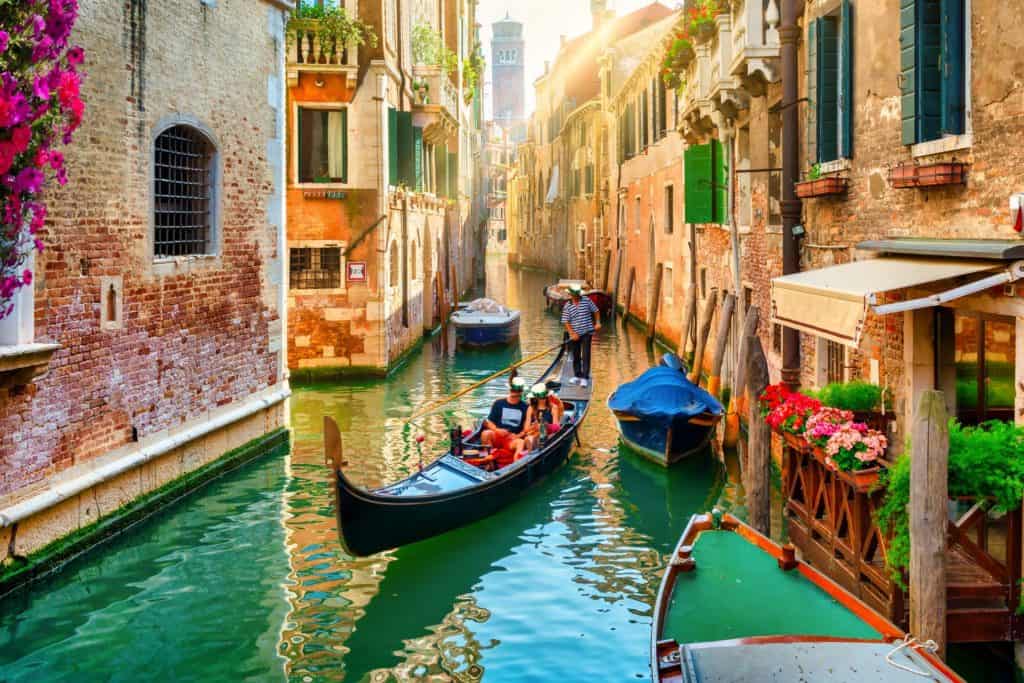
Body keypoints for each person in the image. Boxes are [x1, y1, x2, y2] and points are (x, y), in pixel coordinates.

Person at [561, 283, 600, 387]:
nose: (576, 297)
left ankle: (585, 377)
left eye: (577, 295)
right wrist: (572, 333)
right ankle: (577, 375)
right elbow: (566, 321)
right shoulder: (567, 305)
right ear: (571, 295)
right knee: (576, 354)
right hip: (575, 335)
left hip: (587, 332)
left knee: (586, 354)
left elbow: (596, 311)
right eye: (574, 295)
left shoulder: (586, 301)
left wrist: (598, 322)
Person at [481, 376, 529, 458]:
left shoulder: (526, 407)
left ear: (521, 392)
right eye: (513, 390)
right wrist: (497, 430)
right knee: (486, 434)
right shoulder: (498, 403)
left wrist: (517, 436)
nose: (514, 392)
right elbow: (490, 422)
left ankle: (516, 465)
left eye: (517, 391)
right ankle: (489, 460)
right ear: (509, 390)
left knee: (520, 443)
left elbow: (525, 429)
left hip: (512, 438)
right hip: (497, 435)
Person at [524, 383, 563, 452]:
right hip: (534, 434)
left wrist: (544, 426)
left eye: (544, 397)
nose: (543, 399)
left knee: (538, 440)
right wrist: (534, 427)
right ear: (535, 398)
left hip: (549, 435)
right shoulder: (531, 408)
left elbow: (556, 427)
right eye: (541, 397)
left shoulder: (553, 407)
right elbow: (526, 429)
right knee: (529, 439)